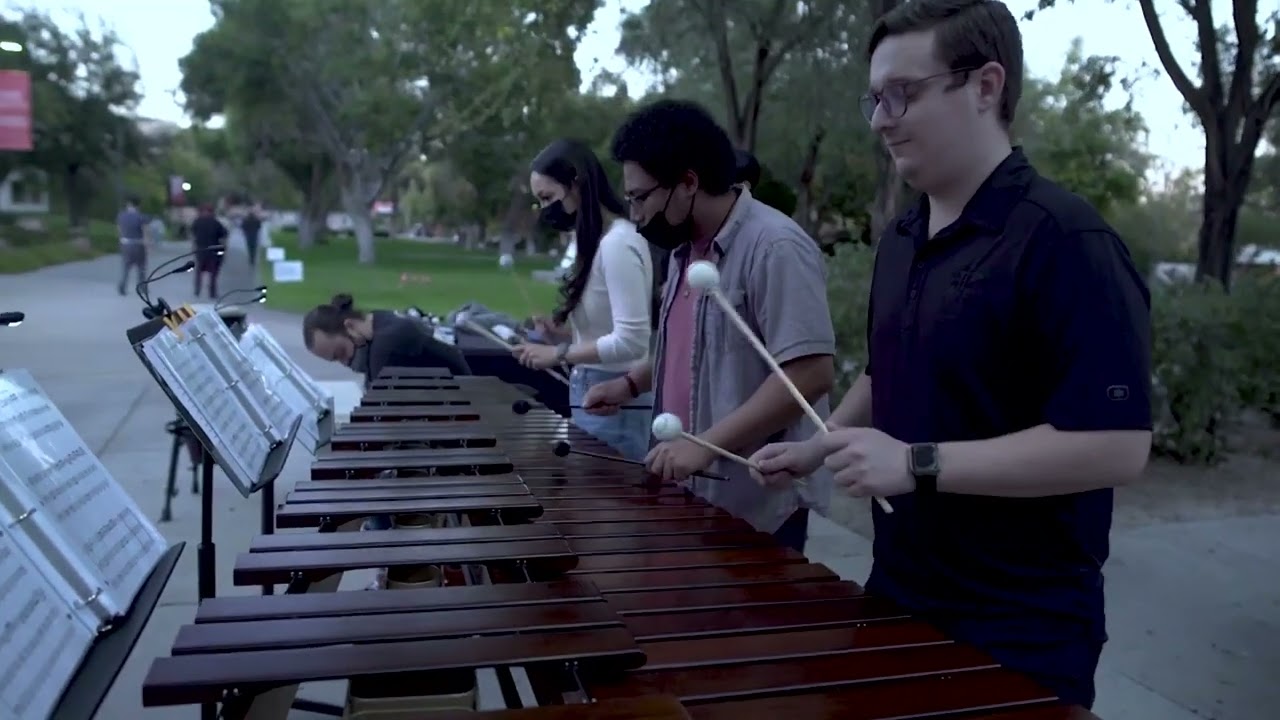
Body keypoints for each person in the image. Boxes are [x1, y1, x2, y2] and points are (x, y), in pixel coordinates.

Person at [748, 0, 1152, 710]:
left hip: (1020, 629)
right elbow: (890, 370)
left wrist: (915, 464)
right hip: (897, 592)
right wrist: (821, 442)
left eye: (902, 93)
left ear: (985, 86)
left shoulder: (1067, 241)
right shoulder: (901, 240)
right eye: (875, 98)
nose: (881, 120)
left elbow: (1115, 446)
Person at [581, 99, 837, 553]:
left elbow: (810, 373)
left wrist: (704, 445)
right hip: (690, 492)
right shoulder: (684, 249)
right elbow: (696, 348)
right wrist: (630, 383)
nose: (635, 214)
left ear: (688, 183)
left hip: (755, 506)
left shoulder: (775, 247)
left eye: (640, 197)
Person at [512, 139, 655, 460]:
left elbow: (632, 341)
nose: (545, 209)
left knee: (613, 492)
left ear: (576, 183)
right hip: (593, 390)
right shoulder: (591, 240)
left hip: (617, 398)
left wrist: (559, 354)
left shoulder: (618, 243)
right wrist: (562, 335)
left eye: (547, 197)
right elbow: (607, 331)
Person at [303, 293, 472, 385]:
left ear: (350, 326)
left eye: (341, 353)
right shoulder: (379, 319)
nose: (345, 362)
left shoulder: (385, 347)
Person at [190, 204, 229, 298]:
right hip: (213, 250)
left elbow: (193, 234)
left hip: (201, 249)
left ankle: (197, 289)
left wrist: (194, 246)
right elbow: (224, 235)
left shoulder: (197, 222)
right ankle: (212, 292)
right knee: (213, 272)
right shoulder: (216, 223)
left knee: (199, 270)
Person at [116, 195, 150, 296]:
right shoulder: (142, 217)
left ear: (128, 204)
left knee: (126, 267)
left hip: (126, 243)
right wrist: (147, 245)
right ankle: (142, 287)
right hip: (138, 244)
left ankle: (123, 286)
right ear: (138, 205)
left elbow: (119, 230)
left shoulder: (121, 216)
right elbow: (145, 231)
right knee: (141, 267)